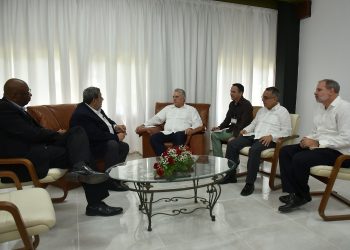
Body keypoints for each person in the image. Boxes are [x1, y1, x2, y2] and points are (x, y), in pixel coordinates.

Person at [0, 78, 123, 217]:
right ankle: (93, 199)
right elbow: (33, 134)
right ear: (14, 95)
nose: (30, 95)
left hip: (38, 150)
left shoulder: (13, 108)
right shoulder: (4, 109)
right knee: (80, 144)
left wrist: (58, 135)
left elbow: (34, 132)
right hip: (25, 159)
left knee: (77, 135)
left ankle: (82, 171)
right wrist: (57, 134)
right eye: (27, 92)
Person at [278, 79, 350, 213]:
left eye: (319, 90)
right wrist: (308, 139)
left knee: (300, 158)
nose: (315, 92)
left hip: (340, 152)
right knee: (285, 151)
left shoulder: (345, 108)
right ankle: (292, 192)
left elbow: (347, 138)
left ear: (331, 91)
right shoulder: (320, 108)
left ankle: (302, 196)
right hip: (322, 147)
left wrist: (317, 143)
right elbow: (316, 131)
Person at [225, 87, 292, 196]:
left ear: (275, 99)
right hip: (254, 135)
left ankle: (249, 183)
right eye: (262, 97)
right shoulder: (262, 110)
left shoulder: (283, 112)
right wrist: (246, 129)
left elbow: (287, 131)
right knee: (232, 144)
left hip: (269, 140)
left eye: (265, 98)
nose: (263, 100)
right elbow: (254, 124)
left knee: (254, 150)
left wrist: (272, 136)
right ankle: (230, 175)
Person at [70, 87, 129, 191]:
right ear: (94, 100)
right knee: (113, 144)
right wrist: (116, 137)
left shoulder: (95, 109)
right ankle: (109, 182)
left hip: (101, 141)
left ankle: (115, 177)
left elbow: (106, 121)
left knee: (124, 147)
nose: (103, 99)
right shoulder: (82, 114)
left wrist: (116, 126)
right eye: (101, 97)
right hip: (91, 146)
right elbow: (95, 135)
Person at [135, 88, 203, 156]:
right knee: (154, 138)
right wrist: (143, 124)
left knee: (179, 136)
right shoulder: (168, 108)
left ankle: (175, 161)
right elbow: (156, 119)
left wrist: (191, 129)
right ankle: (166, 158)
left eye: (177, 97)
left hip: (181, 133)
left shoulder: (191, 110)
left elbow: (198, 123)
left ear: (183, 98)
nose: (174, 99)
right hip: (167, 133)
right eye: (173, 97)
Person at [211, 83, 253, 158]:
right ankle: (219, 159)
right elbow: (227, 119)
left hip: (241, 132)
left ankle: (229, 162)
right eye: (231, 91)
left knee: (217, 136)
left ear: (241, 93)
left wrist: (235, 136)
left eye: (234, 92)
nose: (231, 94)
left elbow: (244, 124)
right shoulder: (232, 104)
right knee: (214, 134)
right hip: (232, 129)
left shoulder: (246, 105)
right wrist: (219, 128)